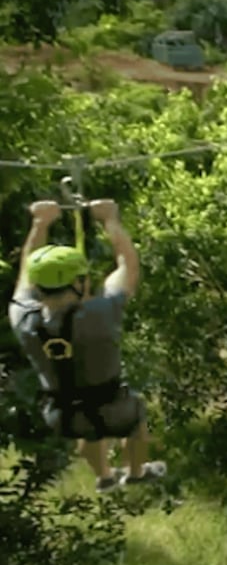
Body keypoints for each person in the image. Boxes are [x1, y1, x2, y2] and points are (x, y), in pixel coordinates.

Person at [8, 198, 166, 491]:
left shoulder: (22, 317)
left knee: (86, 430)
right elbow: (127, 267)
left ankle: (105, 476)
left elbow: (24, 276)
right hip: (114, 409)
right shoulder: (100, 314)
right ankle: (134, 472)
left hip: (62, 416)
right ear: (79, 282)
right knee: (135, 423)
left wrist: (40, 224)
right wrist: (110, 220)